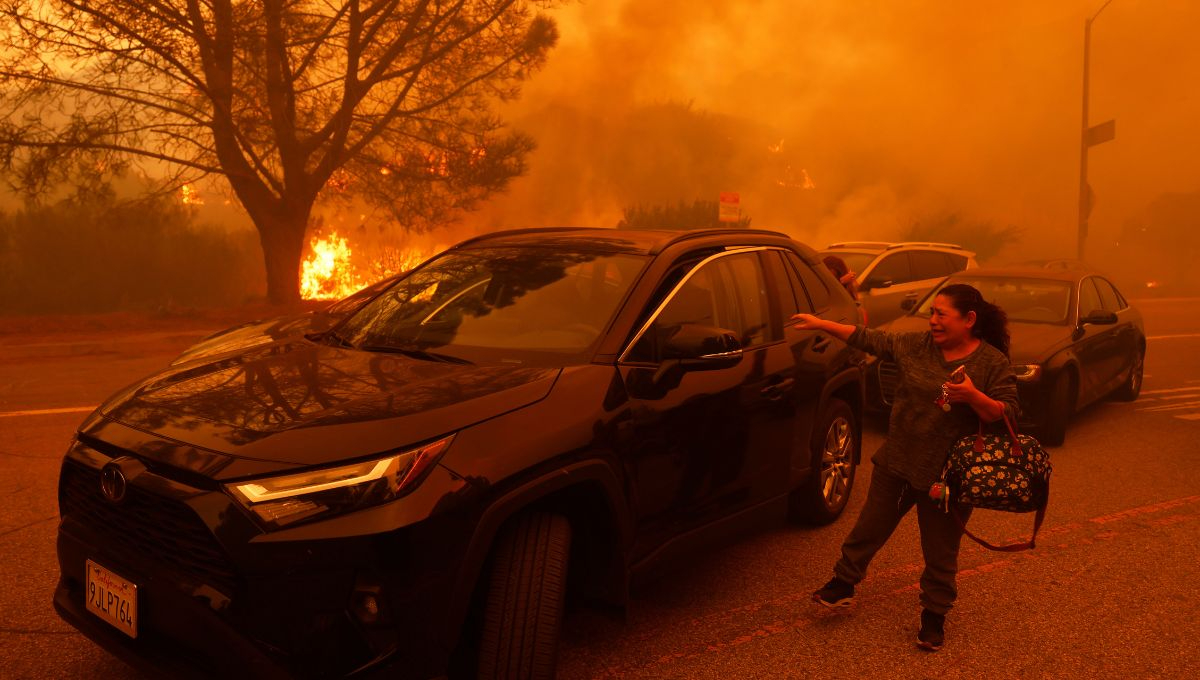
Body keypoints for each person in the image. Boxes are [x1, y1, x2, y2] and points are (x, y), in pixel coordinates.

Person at [791, 283, 1019, 652]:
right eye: (931, 313)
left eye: (941, 314)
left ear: (969, 320)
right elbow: (870, 339)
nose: (933, 321)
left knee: (940, 551)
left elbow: (1009, 415)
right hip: (897, 462)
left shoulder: (991, 362)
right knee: (869, 528)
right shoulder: (916, 346)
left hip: (948, 480)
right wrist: (822, 324)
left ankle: (934, 615)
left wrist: (973, 396)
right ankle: (843, 584)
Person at [822, 255, 866, 324]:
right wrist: (841, 281)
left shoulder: (852, 309)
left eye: (834, 278)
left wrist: (841, 282)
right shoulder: (819, 294)